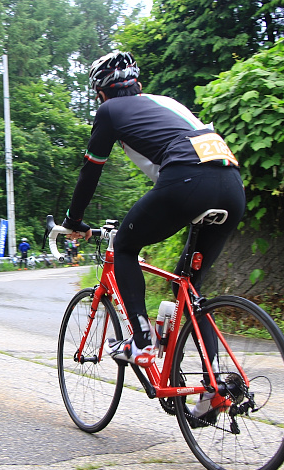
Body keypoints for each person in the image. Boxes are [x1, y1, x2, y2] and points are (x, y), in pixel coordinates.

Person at [61, 51, 245, 421]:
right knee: (187, 290)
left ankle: (142, 340)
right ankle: (215, 389)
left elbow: (90, 171)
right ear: (138, 85)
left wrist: (74, 220)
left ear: (101, 94)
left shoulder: (110, 112)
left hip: (189, 180)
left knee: (125, 246)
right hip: (232, 185)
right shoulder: (166, 104)